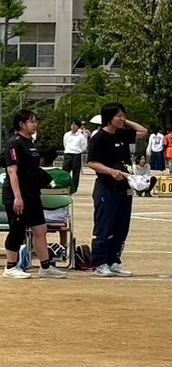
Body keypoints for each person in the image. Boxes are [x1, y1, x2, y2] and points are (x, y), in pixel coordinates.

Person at [0, 110, 64, 280]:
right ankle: (10, 266)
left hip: (32, 193)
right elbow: (12, 172)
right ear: (21, 124)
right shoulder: (14, 144)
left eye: (35, 121)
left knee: (40, 229)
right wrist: (17, 197)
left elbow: (33, 169)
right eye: (32, 121)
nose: (35, 124)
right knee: (17, 230)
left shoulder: (31, 144)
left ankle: (45, 266)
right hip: (17, 194)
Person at [86, 102, 148, 277]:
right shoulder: (98, 138)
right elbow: (91, 162)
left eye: (123, 115)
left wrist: (125, 122)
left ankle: (114, 261)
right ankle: (100, 262)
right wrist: (111, 172)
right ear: (108, 117)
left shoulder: (122, 133)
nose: (122, 119)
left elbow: (143, 132)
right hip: (106, 186)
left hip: (124, 186)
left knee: (121, 227)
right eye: (118, 116)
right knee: (104, 226)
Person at [62, 120, 88, 192]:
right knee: (65, 171)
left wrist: (77, 150)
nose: (73, 126)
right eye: (72, 124)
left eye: (75, 125)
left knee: (76, 172)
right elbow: (65, 144)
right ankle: (63, 185)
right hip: (68, 154)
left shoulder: (81, 136)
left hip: (76, 155)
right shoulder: (66, 134)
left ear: (78, 127)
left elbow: (84, 147)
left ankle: (74, 188)